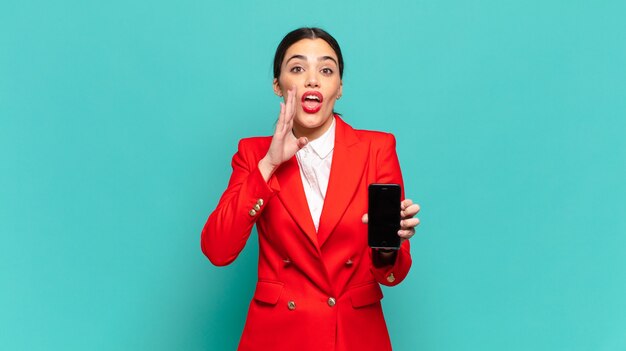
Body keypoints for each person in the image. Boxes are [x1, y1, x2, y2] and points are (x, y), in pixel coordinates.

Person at [201, 27, 421, 351]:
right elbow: (217, 250)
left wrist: (390, 246)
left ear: (340, 87)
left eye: (327, 70)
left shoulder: (377, 149)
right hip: (278, 336)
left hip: (353, 335)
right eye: (297, 68)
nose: (313, 80)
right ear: (278, 85)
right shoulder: (253, 154)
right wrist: (269, 164)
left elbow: (391, 274)